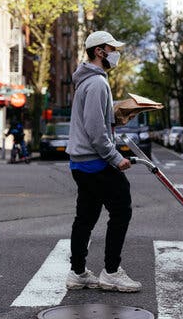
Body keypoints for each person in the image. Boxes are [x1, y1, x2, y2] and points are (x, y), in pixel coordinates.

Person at [65, 31, 141, 293]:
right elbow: (96, 130)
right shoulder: (97, 83)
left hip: (81, 162)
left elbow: (95, 122)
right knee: (121, 209)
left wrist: (117, 116)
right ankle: (111, 272)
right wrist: (115, 157)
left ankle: (77, 273)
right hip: (95, 161)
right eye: (112, 48)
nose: (116, 53)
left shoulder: (86, 81)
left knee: (85, 217)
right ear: (99, 51)